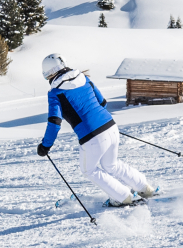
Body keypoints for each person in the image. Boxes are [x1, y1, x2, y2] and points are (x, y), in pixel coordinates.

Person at [37, 53, 158, 208]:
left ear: (49, 73)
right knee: (111, 165)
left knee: (89, 170)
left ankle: (123, 197)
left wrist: (45, 146)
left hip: (92, 136)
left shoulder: (55, 93)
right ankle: (144, 188)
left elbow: (54, 122)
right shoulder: (84, 78)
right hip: (110, 126)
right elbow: (102, 102)